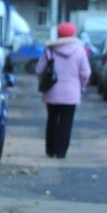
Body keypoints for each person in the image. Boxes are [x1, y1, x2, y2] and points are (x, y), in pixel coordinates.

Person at [38, 21, 91, 158]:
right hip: (71, 92)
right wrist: (81, 85)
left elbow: (39, 69)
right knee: (66, 123)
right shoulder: (80, 51)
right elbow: (86, 73)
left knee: (52, 120)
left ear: (58, 34)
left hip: (52, 91)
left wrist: (43, 81)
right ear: (73, 33)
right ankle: (61, 151)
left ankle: (50, 150)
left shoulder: (50, 50)